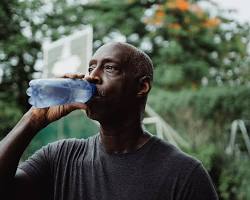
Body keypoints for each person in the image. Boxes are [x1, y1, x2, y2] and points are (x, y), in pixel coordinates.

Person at [0, 42, 218, 200]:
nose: (91, 76)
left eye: (110, 68)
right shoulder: (60, 158)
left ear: (142, 87)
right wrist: (33, 119)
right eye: (90, 67)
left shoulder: (184, 174)